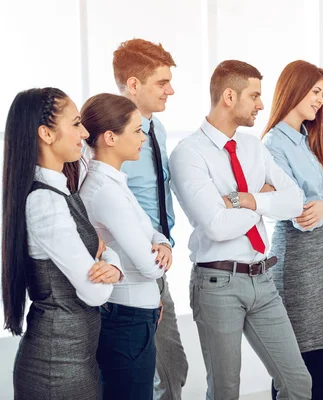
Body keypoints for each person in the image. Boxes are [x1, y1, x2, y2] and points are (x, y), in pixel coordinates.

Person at [169, 60, 312, 399]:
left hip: (263, 280)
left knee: (298, 383)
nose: (262, 105)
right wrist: (260, 201)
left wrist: (245, 200)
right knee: (225, 391)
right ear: (229, 96)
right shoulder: (188, 154)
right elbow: (217, 227)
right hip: (218, 284)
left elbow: (295, 201)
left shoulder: (252, 147)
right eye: (255, 96)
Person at [2, 87, 122, 399]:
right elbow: (94, 292)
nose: (84, 132)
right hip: (56, 367)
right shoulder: (44, 202)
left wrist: (112, 265)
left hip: (76, 360)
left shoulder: (62, 192)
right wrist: (109, 264)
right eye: (76, 123)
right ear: (46, 133)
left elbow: (103, 251)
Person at [70, 93, 173, 399]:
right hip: (127, 319)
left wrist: (163, 244)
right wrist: (160, 258)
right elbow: (146, 264)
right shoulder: (105, 191)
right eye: (137, 130)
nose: (143, 137)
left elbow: (154, 234)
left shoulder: (115, 183)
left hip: (135, 316)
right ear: (110, 137)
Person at [262, 60, 323, 400]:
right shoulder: (273, 144)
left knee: (320, 348)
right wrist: (320, 202)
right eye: (315, 92)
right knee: (295, 358)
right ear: (295, 89)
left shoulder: (312, 140)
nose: (320, 101)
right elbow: (295, 206)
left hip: (322, 259)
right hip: (295, 261)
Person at [113, 38, 188, 399]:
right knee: (143, 372)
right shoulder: (106, 132)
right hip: (126, 268)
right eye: (162, 82)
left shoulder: (155, 129)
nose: (170, 90)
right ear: (133, 84)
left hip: (157, 261)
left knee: (171, 367)